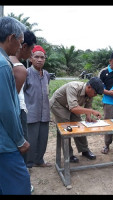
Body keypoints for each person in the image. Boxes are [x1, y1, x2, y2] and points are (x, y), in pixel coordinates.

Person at [0, 16, 31, 195]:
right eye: (20, 42)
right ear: (11, 38)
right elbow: (6, 109)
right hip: (5, 143)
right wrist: (20, 140)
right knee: (19, 185)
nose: (20, 47)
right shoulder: (4, 65)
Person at [50, 77, 104, 163]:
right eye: (95, 93)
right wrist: (92, 111)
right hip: (59, 105)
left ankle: (84, 150)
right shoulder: (73, 87)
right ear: (89, 87)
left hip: (72, 106)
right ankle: (69, 154)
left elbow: (88, 106)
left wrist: (88, 116)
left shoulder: (91, 92)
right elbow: (74, 108)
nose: (95, 95)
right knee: (66, 128)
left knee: (80, 126)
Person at [9, 30, 37, 193]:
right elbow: (11, 102)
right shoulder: (19, 68)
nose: (32, 53)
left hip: (16, 112)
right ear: (23, 45)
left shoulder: (6, 60)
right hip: (18, 112)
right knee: (21, 148)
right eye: (31, 49)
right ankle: (20, 184)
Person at [24, 45, 52, 168]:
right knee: (31, 140)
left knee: (43, 139)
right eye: (36, 57)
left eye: (42, 57)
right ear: (31, 58)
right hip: (31, 113)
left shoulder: (46, 75)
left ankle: (39, 160)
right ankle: (28, 164)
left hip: (45, 113)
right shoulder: (26, 73)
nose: (40, 60)